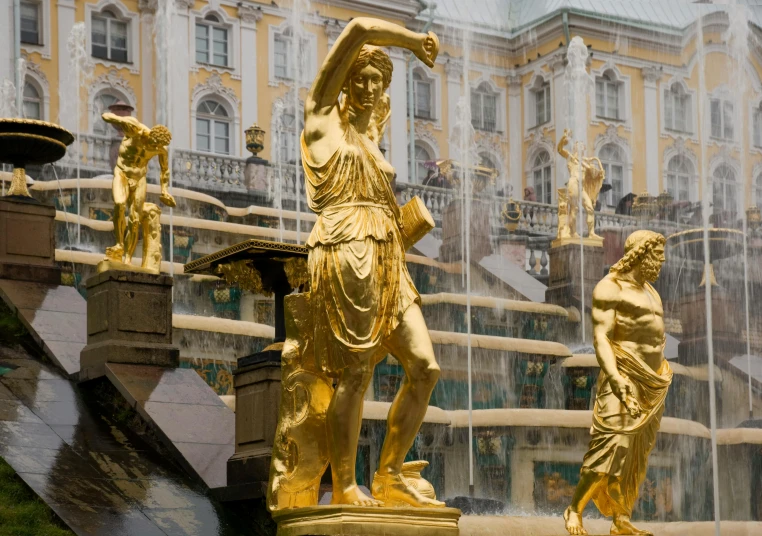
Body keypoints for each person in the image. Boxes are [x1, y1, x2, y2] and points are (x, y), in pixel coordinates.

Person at [301, 18, 442, 508]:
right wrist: (411, 43)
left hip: (388, 257)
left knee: (425, 367)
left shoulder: (371, 135)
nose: (366, 86)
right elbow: (359, 27)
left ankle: (389, 475)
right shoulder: (321, 121)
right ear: (341, 84)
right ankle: (343, 486)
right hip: (346, 250)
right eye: (359, 78)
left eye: (376, 81)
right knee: (356, 374)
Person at [564, 230, 672, 536]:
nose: (662, 261)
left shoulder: (652, 291)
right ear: (640, 253)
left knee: (637, 454)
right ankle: (574, 508)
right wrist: (615, 378)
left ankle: (621, 518)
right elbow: (601, 338)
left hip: (652, 382)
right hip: (621, 375)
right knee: (612, 446)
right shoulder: (609, 288)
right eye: (657, 254)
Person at [101, 113, 175, 265]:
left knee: (135, 219)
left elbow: (165, 170)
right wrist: (120, 120)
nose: (154, 148)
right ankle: (119, 244)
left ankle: (128, 258)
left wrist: (164, 190)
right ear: (150, 135)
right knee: (120, 205)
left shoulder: (161, 149)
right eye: (153, 144)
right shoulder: (136, 130)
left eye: (157, 147)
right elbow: (107, 116)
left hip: (140, 178)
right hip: (122, 173)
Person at [558, 129, 604, 240]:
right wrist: (563, 139)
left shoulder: (586, 162)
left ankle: (591, 233)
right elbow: (559, 150)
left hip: (582, 188)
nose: (581, 146)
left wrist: (598, 174)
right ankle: (573, 233)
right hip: (574, 183)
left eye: (583, 145)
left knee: (590, 208)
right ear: (575, 148)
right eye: (579, 145)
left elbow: (593, 176)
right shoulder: (570, 157)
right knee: (574, 209)